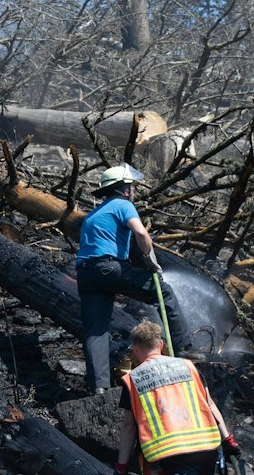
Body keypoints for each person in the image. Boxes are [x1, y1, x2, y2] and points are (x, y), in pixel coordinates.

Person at [105, 321, 238, 475]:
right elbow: (210, 404)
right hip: (207, 448)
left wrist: (120, 468)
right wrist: (227, 439)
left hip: (177, 455)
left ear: (135, 349)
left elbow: (128, 428)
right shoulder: (187, 366)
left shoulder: (134, 379)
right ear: (162, 345)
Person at [75, 164, 186, 394]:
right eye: (131, 187)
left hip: (86, 273)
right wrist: (149, 259)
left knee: (96, 329)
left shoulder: (93, 216)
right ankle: (184, 348)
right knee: (164, 292)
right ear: (125, 189)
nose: (132, 192)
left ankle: (99, 388)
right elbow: (141, 233)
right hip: (108, 267)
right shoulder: (123, 204)